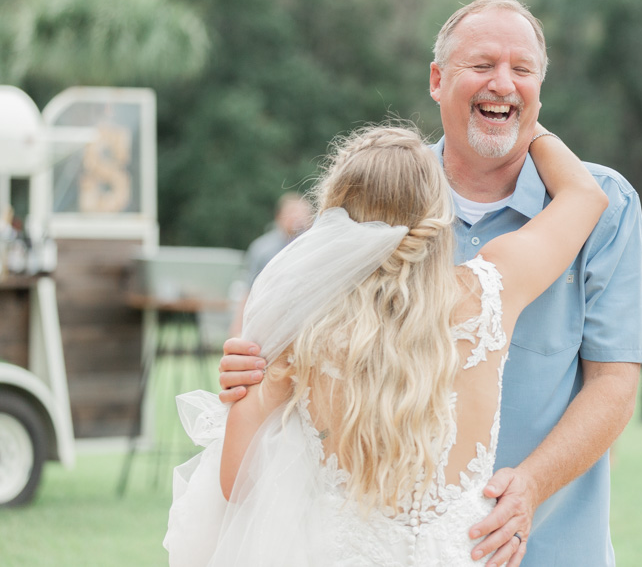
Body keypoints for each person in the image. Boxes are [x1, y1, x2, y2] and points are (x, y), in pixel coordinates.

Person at [217, 0, 642, 567]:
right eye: (482, 66)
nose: (502, 82)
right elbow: (279, 370)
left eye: (523, 70)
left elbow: (615, 384)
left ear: (542, 86)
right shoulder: (384, 197)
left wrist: (531, 486)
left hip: (555, 545)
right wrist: (247, 370)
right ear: (436, 79)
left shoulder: (611, 207)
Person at [164, 124, 609, 565]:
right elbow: (586, 197)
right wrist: (519, 113)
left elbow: (237, 486)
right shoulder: (491, 292)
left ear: (334, 216)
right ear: (440, 210)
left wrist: (246, 395)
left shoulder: (305, 328)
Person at [229, 192, 313, 336]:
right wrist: (238, 327)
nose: (298, 218)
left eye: (303, 213)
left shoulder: (313, 248)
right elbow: (248, 290)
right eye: (293, 212)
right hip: (267, 320)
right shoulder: (262, 249)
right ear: (279, 216)